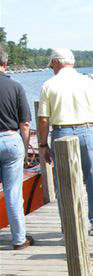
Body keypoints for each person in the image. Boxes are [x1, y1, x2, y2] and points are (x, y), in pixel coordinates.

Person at [37, 48, 93, 236]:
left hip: (61, 132)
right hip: (87, 131)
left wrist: (43, 144)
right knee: (92, 178)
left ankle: (69, 226)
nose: (51, 67)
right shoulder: (88, 82)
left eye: (52, 64)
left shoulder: (48, 85)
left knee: (63, 183)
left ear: (57, 62)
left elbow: (43, 119)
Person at [0, 45, 34, 249]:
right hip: (11, 140)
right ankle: (19, 239)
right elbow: (25, 123)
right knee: (13, 192)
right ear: (5, 64)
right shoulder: (16, 87)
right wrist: (26, 144)